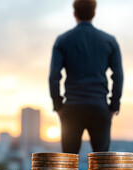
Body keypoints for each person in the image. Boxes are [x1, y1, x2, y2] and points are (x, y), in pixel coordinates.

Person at [49, 0, 124, 154]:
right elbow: (118, 76)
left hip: (72, 108)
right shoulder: (110, 41)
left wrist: (58, 106)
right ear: (94, 13)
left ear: (74, 13)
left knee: (68, 166)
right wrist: (113, 106)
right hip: (99, 107)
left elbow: (54, 77)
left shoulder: (62, 40)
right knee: (102, 166)